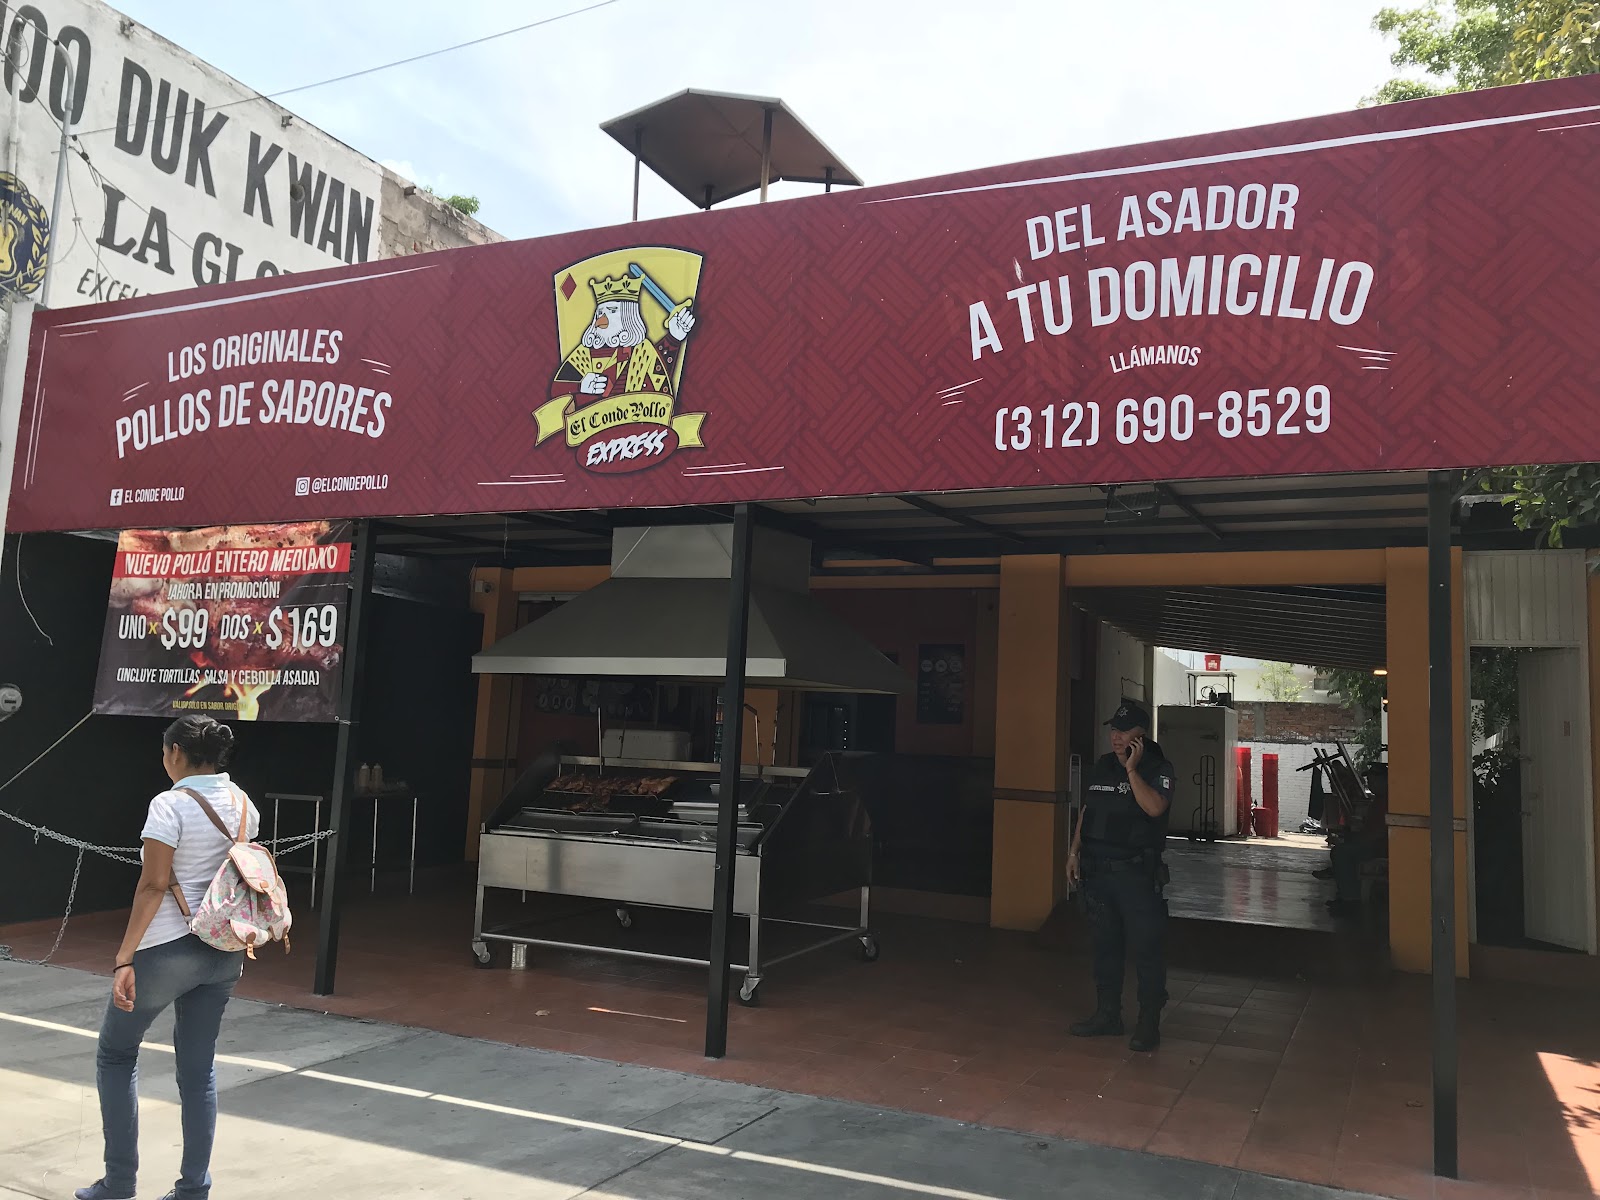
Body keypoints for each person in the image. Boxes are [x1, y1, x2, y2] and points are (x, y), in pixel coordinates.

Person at [77, 715, 259, 1200]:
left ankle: (119, 1183)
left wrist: (124, 957)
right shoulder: (244, 805)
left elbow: (154, 884)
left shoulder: (169, 805)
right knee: (199, 1071)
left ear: (176, 752)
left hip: (166, 948)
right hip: (224, 950)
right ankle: (193, 1189)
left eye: (164, 752)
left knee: (116, 1054)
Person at [1067, 700, 1176, 1053]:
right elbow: (1087, 811)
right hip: (1098, 872)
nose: (1116, 737)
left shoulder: (1158, 767)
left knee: (1146, 948)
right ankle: (1107, 1015)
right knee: (1105, 947)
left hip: (1136, 875)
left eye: (1124, 732)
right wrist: (1074, 852)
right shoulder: (1102, 766)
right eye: (1113, 730)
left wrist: (1131, 770)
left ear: (1141, 735)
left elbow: (1155, 807)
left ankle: (1148, 1022)